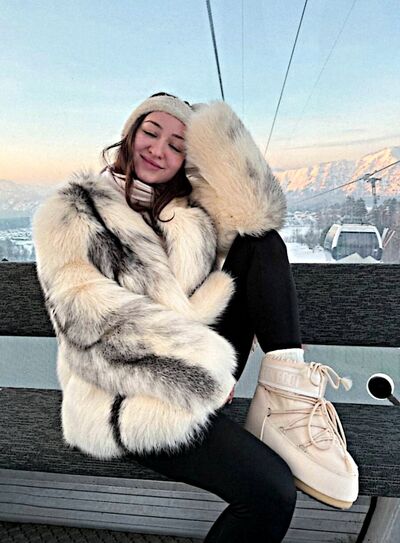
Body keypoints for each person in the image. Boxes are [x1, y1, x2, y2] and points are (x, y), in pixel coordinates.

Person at [33, 92, 357, 542]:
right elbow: (94, 328)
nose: (158, 150)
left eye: (177, 144)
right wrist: (202, 372)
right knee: (271, 492)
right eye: (151, 133)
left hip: (192, 363)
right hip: (122, 392)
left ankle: (286, 402)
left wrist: (215, 134)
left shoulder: (187, 215)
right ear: (129, 134)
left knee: (260, 243)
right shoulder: (74, 212)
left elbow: (257, 214)